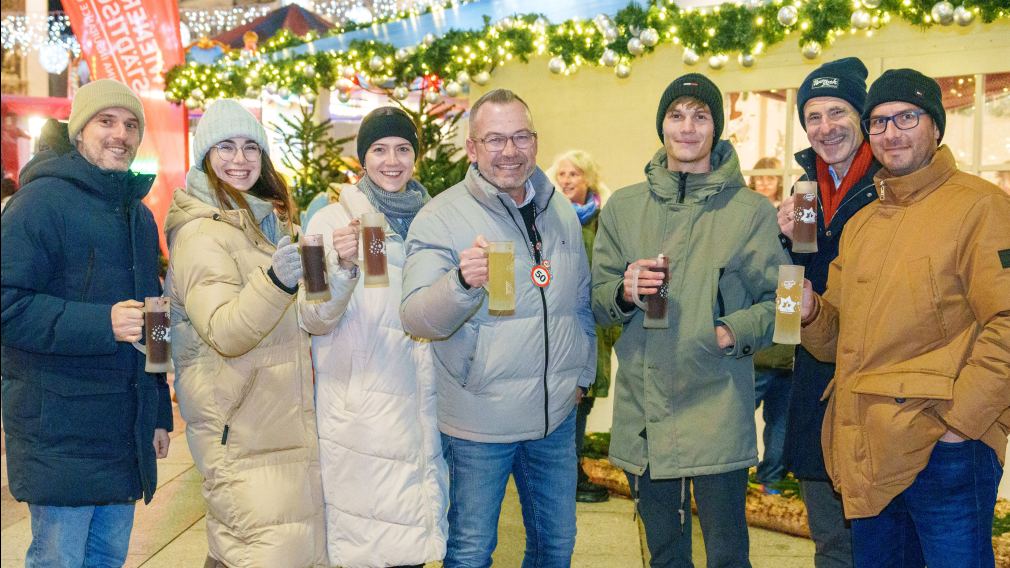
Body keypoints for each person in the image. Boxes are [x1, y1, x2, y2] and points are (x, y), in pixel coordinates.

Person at [799, 68, 1010, 567]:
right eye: (879, 122)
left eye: (906, 118)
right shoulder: (863, 224)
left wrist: (959, 425)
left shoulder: (982, 206)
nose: (891, 133)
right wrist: (810, 314)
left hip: (946, 450)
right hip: (870, 451)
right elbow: (837, 341)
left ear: (935, 125)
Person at [591, 74, 789, 568]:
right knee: (664, 556)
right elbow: (595, 301)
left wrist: (732, 330)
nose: (687, 127)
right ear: (661, 125)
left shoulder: (750, 212)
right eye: (676, 115)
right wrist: (624, 291)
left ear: (716, 128)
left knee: (728, 557)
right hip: (644, 412)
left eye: (700, 116)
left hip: (717, 406)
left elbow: (786, 305)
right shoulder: (624, 207)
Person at [400, 88, 596, 567]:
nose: (510, 150)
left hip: (553, 419)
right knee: (471, 552)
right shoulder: (440, 217)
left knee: (555, 547)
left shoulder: (560, 211)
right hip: (480, 421)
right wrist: (461, 282)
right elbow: (416, 316)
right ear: (472, 148)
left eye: (521, 137)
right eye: (495, 139)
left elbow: (579, 302)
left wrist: (582, 374)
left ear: (535, 141)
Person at [1, 78, 172, 566]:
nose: (121, 134)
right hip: (59, 430)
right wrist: (102, 323)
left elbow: (154, 316)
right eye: (106, 121)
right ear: (79, 131)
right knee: (60, 558)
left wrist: (158, 411)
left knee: (107, 558)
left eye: (131, 125)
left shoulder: (138, 216)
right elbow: (7, 305)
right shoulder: (39, 203)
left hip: (122, 431)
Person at [164, 99, 327, 567]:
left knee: (271, 551)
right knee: (261, 552)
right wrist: (276, 281)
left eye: (250, 147)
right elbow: (225, 331)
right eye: (226, 147)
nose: (240, 159)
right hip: (240, 432)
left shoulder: (266, 222)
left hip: (280, 424)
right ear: (205, 157)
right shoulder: (201, 234)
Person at [299, 106, 448, 568]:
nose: (392, 161)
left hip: (423, 408)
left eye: (403, 149)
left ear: (416, 156)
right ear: (363, 158)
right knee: (368, 546)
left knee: (413, 541)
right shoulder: (328, 222)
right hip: (362, 414)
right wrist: (343, 267)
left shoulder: (434, 222)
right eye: (379, 150)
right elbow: (312, 316)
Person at [776, 56, 879, 568]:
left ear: (862, 117)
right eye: (813, 116)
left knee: (882, 541)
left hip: (875, 376)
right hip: (814, 378)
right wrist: (784, 242)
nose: (825, 127)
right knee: (831, 543)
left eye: (838, 112)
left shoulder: (888, 183)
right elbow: (792, 290)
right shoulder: (805, 189)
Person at [550, 149, 621, 504]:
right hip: (557, 323)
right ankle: (565, 473)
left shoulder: (604, 220)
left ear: (588, 179)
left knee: (584, 398)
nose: (566, 181)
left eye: (574, 174)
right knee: (563, 398)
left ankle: (571, 470)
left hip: (593, 324)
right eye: (562, 174)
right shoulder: (547, 216)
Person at [746, 156, 793, 493]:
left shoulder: (756, 227)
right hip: (780, 350)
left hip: (765, 349)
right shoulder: (797, 250)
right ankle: (771, 480)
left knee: (748, 414)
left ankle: (762, 478)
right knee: (779, 419)